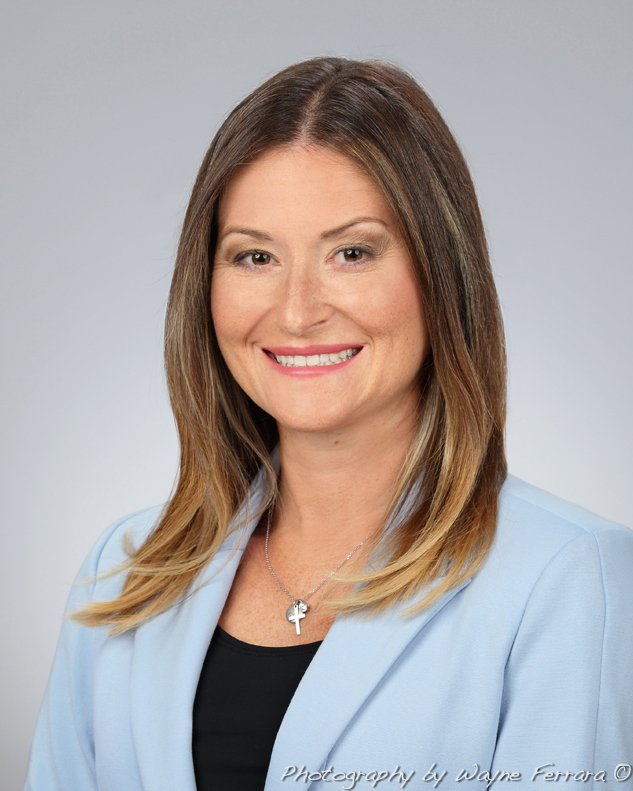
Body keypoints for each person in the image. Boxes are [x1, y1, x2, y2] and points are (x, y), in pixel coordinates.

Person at [24, 56, 633, 791]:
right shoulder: (126, 569)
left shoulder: (568, 578)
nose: (296, 311)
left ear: (440, 272)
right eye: (255, 256)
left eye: (351, 253)